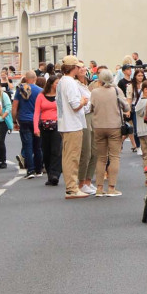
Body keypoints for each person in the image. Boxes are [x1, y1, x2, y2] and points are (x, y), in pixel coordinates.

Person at [89, 69, 130, 197]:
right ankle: (111, 187)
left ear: (100, 80)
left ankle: (99, 188)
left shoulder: (94, 92)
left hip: (98, 126)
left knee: (101, 157)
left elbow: (90, 108)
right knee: (114, 157)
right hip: (114, 126)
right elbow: (126, 107)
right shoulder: (117, 91)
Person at [57, 56, 90, 199]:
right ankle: (72, 188)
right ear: (73, 68)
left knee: (68, 157)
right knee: (73, 157)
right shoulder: (70, 82)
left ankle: (71, 186)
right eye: (77, 67)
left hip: (65, 123)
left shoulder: (62, 82)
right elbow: (75, 105)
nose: (79, 69)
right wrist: (83, 101)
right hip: (72, 124)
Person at [14, 72, 43, 179]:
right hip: (37, 120)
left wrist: (14, 120)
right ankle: (39, 169)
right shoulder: (40, 90)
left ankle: (30, 170)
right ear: (35, 78)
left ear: (26, 78)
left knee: (27, 146)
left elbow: (15, 106)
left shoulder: (20, 89)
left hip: (24, 119)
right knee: (38, 146)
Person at [34, 74, 62, 186]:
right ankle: (50, 174)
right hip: (44, 126)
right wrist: (36, 127)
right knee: (46, 151)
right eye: (56, 83)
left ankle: (55, 174)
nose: (58, 85)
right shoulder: (41, 96)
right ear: (51, 84)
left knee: (56, 150)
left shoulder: (59, 96)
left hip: (57, 125)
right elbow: (36, 112)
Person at [0, 79, 13, 170]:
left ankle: (3, 160)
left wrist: (2, 117)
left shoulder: (3, 95)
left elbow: (8, 107)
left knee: (0, 141)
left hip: (2, 121)